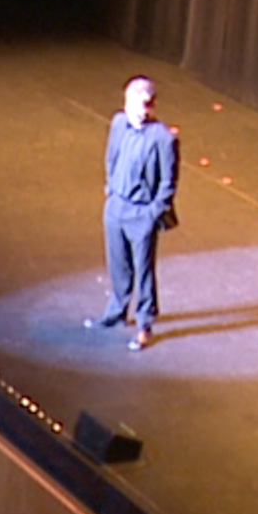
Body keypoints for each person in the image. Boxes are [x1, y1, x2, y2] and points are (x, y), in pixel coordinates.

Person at [87, 76, 178, 350]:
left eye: (143, 106)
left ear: (151, 106)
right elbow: (111, 156)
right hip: (116, 206)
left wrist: (153, 213)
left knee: (144, 270)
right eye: (133, 105)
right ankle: (116, 312)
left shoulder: (163, 138)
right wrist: (111, 188)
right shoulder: (118, 124)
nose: (137, 111)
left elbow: (168, 182)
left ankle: (144, 323)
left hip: (141, 213)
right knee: (117, 263)